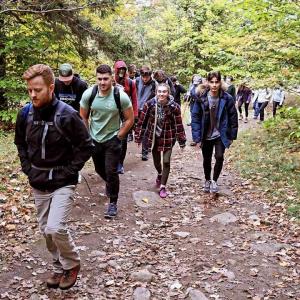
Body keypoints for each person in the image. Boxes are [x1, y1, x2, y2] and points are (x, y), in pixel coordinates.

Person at [14, 64, 94, 290]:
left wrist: (69, 171)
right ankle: (59, 268)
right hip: (38, 181)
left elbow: (85, 146)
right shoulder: (25, 114)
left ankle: (72, 264)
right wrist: (28, 169)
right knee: (45, 230)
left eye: (37, 89)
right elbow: (20, 144)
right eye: (29, 89)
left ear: (51, 88)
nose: (32, 94)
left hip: (62, 182)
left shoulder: (67, 115)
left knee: (55, 228)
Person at [80, 64, 134, 218]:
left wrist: (119, 136)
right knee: (99, 169)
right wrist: (87, 135)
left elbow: (130, 119)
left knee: (111, 171)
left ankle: (113, 203)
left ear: (112, 78)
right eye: (99, 79)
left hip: (113, 138)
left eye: (105, 79)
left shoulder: (120, 96)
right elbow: (83, 115)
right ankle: (111, 184)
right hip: (95, 138)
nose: (102, 82)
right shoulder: (89, 94)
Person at [135, 83, 186, 198]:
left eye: (164, 92)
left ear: (168, 93)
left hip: (168, 137)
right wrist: (138, 136)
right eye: (159, 91)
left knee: (166, 161)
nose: (161, 94)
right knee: (157, 162)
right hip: (154, 138)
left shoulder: (174, 107)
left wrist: (181, 140)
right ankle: (159, 173)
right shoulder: (150, 105)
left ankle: (163, 186)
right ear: (156, 92)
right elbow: (142, 122)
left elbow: (179, 124)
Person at [191, 71, 238, 193]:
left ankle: (214, 181)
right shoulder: (201, 97)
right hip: (205, 134)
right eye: (211, 82)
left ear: (220, 82)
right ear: (207, 82)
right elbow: (195, 117)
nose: (214, 85)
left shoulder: (227, 98)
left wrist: (232, 135)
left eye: (217, 82)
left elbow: (233, 117)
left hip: (220, 133)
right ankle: (207, 179)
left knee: (219, 156)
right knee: (206, 159)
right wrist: (196, 138)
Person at [113, 60, 138, 174]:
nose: (121, 72)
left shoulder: (131, 83)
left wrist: (135, 115)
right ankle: (111, 161)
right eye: (119, 70)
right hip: (112, 114)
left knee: (122, 140)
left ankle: (120, 163)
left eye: (123, 70)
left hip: (126, 115)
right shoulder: (111, 81)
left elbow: (134, 99)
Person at [135, 66, 157, 161]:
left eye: (147, 77)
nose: (145, 79)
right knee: (136, 128)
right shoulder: (136, 81)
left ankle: (144, 152)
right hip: (135, 109)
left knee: (146, 130)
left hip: (147, 110)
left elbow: (155, 97)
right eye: (143, 77)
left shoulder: (154, 84)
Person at [185, 74, 202, 145]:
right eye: (194, 80)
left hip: (201, 107)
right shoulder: (191, 86)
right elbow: (186, 98)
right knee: (194, 123)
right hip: (193, 107)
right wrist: (187, 96)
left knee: (202, 122)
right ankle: (196, 139)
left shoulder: (203, 87)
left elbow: (201, 98)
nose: (195, 83)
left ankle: (202, 138)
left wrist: (193, 94)